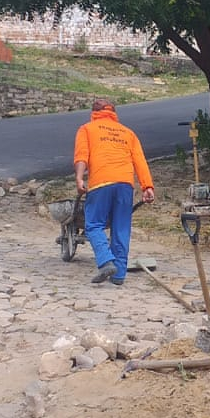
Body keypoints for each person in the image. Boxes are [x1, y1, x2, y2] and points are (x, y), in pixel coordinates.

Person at [73, 98, 155, 285]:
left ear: (94, 113)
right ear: (113, 113)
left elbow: (81, 156)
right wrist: (147, 186)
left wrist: (79, 178)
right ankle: (118, 275)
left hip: (101, 182)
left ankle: (105, 261)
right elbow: (140, 161)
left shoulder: (87, 129)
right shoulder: (128, 133)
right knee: (121, 228)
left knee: (93, 224)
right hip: (125, 185)